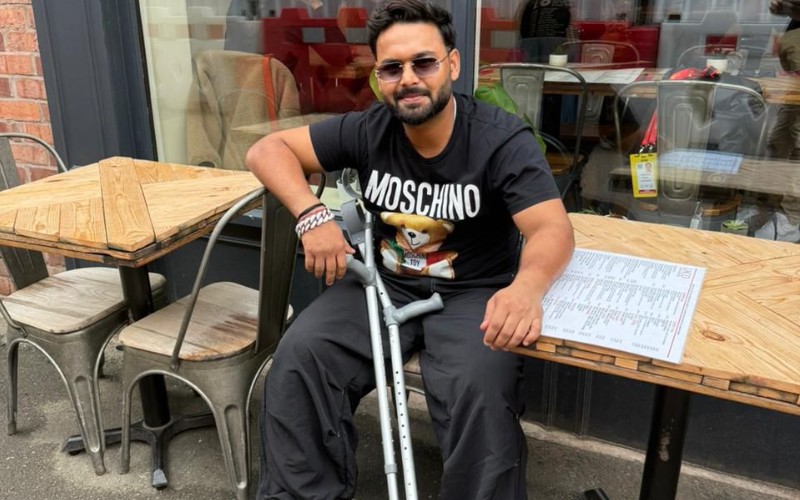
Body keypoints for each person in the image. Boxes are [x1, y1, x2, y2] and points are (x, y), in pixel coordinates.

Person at [246, 1, 575, 498]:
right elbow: (266, 150)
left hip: (473, 292)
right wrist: (312, 214)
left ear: (453, 64)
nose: (409, 79)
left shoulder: (500, 139)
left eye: (424, 62)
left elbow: (551, 227)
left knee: (482, 392)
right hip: (382, 283)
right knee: (300, 357)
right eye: (392, 68)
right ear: (378, 77)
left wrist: (527, 288)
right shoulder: (369, 128)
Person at [759, 0, 800, 241]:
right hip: (794, 75)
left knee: (796, 149)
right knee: (779, 142)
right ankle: (774, 210)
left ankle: (791, 220)